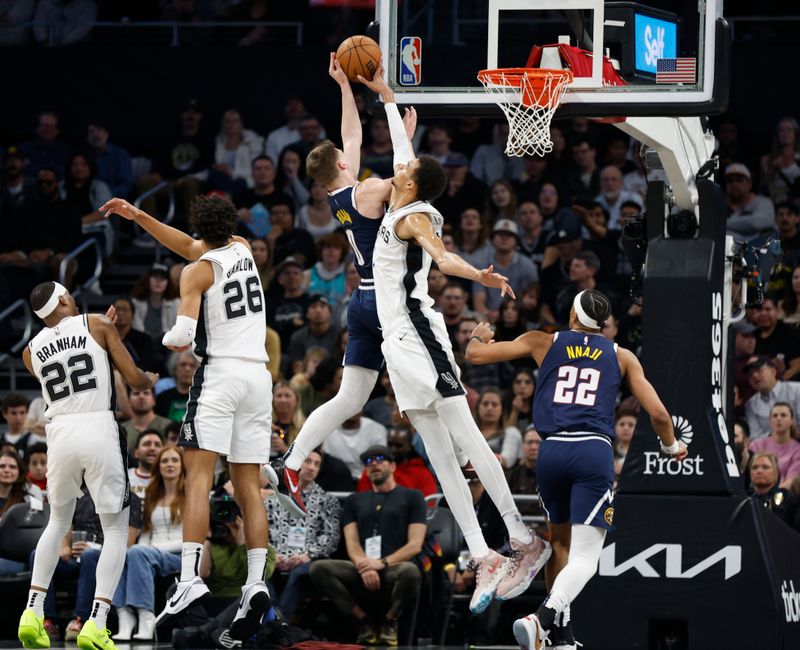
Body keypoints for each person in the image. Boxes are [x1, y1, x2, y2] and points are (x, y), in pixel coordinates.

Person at [364, 83, 550, 615]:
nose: (396, 165)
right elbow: (403, 150)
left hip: (421, 333)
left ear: (413, 182)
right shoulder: (406, 193)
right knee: (438, 450)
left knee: (467, 438)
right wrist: (384, 93)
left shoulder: (414, 216)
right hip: (396, 341)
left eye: (404, 165)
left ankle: (522, 537)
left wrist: (480, 275)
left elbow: (442, 260)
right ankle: (482, 552)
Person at [464, 288, 687, 649]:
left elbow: (474, 355)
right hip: (592, 453)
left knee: (559, 543)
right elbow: (660, 414)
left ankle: (561, 636)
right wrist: (671, 445)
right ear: (603, 325)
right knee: (586, 556)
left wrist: (477, 335)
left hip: (551, 451)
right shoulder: (622, 356)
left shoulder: (543, 341)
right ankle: (544, 617)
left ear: (572, 316)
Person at [100, 193, 274, 640]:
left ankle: (190, 579)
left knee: (198, 477)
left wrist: (161, 337)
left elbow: (180, 335)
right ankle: (256, 582)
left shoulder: (196, 272)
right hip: (259, 378)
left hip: (220, 375)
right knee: (248, 486)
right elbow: (190, 246)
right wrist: (139, 216)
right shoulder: (240, 246)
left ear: (199, 228)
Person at [264, 54, 416, 516]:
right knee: (429, 386)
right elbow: (410, 180)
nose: (351, 150)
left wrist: (344, 88)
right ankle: (468, 459)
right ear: (345, 165)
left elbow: (349, 135)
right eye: (347, 154)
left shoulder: (337, 194)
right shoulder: (368, 191)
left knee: (350, 397)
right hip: (387, 298)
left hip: (361, 300)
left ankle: (289, 462)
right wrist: (397, 125)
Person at [17, 280, 157, 650]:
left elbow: (67, 372)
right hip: (98, 427)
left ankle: (31, 611)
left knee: (58, 521)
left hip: (59, 433)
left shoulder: (29, 352)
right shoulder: (96, 324)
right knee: (115, 528)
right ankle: (96, 622)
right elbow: (134, 379)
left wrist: (103, 338)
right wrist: (145, 374)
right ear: (64, 297)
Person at [308, 449, 427, 646]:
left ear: (393, 466)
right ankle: (364, 621)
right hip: (361, 566)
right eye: (369, 461)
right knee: (318, 569)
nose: (373, 464)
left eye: (380, 459)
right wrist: (364, 564)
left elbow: (415, 545)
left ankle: (389, 621)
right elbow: (352, 542)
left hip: (394, 566)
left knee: (410, 571)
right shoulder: (355, 500)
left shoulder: (412, 497)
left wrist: (381, 563)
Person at [114, 446, 186, 641]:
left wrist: (151, 549)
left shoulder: (191, 496)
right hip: (151, 553)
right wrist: (142, 549)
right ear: (158, 467)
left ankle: (146, 616)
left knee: (138, 552)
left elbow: (192, 538)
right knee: (123, 553)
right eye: (164, 461)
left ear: (182, 465)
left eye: (174, 460)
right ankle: (125, 616)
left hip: (181, 555)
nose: (169, 464)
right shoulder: (153, 497)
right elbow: (146, 533)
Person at [266, 449, 341, 620]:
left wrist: (307, 555)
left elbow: (331, 537)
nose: (312, 468)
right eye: (308, 461)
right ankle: (272, 617)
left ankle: (279, 621)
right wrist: (273, 555)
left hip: (309, 559)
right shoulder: (273, 498)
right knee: (263, 570)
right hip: (276, 557)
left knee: (300, 573)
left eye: (317, 464)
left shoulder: (327, 501)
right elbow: (263, 531)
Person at [743, 355, 800, 440]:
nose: (754, 376)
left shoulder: (797, 390)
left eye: (758, 370)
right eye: (750, 374)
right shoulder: (751, 404)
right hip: (769, 450)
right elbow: (754, 438)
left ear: (773, 371)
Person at [749, 402, 800, 489]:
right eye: (775, 416)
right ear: (770, 420)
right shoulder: (755, 445)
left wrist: (771, 495)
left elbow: (791, 481)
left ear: (791, 420)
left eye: (783, 415)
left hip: (784, 496)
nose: (779, 418)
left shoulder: (797, 449)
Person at [748, 451, 800, 532]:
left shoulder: (789, 498)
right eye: (754, 467)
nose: (759, 471)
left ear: (776, 472)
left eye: (765, 467)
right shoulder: (746, 500)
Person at [121, 387, 172, 452]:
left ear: (154, 400)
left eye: (146, 393)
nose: (141, 397)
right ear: (129, 401)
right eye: (136, 393)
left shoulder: (168, 426)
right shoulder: (121, 430)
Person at [155, 351, 199, 422]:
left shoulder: (202, 398)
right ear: (175, 369)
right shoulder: (162, 398)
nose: (187, 369)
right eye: (183, 364)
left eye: (192, 365)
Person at [129, 430, 164, 502]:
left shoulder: (171, 478)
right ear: (136, 453)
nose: (152, 448)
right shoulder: (124, 478)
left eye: (157, 445)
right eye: (147, 444)